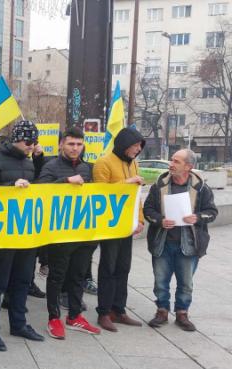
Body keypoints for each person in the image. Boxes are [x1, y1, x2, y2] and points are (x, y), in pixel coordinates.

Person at [0, 120, 46, 351]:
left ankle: (19, 323)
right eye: (28, 141)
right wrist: (9, 186)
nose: (32, 145)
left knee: (22, 281)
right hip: (0, 236)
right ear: (16, 138)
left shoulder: (28, 162)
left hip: (23, 233)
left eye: (35, 141)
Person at [144, 149, 217, 331]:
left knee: (186, 282)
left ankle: (182, 313)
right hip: (163, 242)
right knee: (160, 280)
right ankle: (162, 310)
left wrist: (197, 217)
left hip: (189, 244)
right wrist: (160, 221)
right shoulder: (159, 185)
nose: (171, 164)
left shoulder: (201, 188)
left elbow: (212, 212)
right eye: (172, 160)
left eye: (176, 161)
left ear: (188, 166)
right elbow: (148, 210)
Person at [37, 128, 101, 339]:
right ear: (61, 145)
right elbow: (40, 192)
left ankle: (75, 316)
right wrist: (65, 182)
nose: (75, 148)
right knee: (57, 277)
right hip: (59, 235)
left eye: (79, 144)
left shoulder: (86, 168)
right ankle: (53, 318)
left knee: (78, 276)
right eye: (71, 144)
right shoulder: (51, 166)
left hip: (82, 234)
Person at [92, 127, 146, 332]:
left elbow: (136, 196)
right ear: (124, 144)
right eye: (134, 146)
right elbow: (99, 194)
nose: (137, 150)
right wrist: (126, 182)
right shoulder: (103, 163)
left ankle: (118, 309)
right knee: (108, 267)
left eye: (139, 147)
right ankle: (104, 312)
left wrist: (139, 220)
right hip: (109, 225)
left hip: (127, 226)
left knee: (124, 267)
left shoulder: (134, 164)